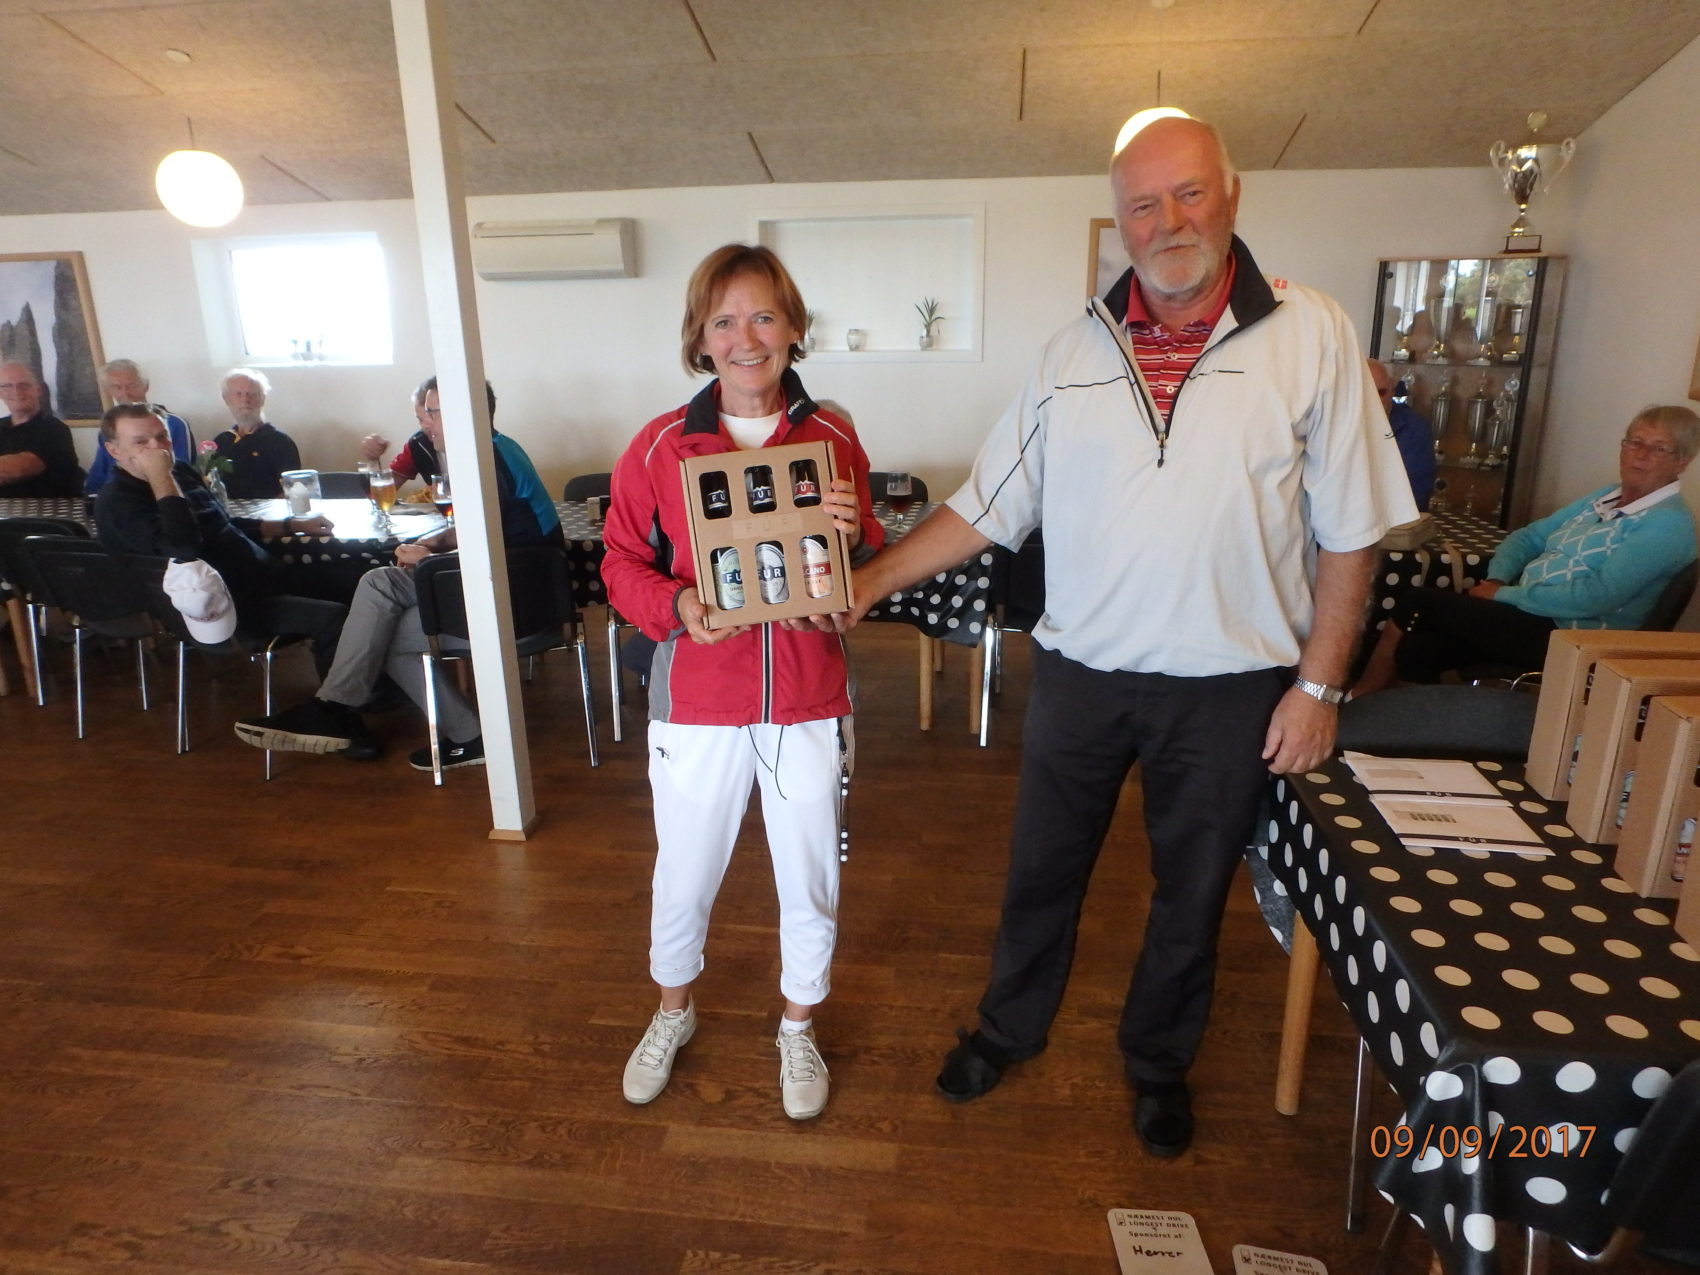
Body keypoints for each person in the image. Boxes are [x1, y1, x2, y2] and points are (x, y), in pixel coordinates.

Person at [846, 111, 1413, 1157]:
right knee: (1038, 872)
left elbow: (1352, 528)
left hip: (1231, 685)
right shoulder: (1073, 351)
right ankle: (1007, 1029)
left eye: (1188, 193)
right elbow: (989, 503)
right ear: (1119, 221)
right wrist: (868, 580)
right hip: (1080, 676)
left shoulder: (1312, 334)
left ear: (1231, 196)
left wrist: (1319, 687)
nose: (1168, 221)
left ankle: (1157, 1061)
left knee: (1189, 893)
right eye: (1142, 204)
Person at [600, 243, 884, 1121]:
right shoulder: (659, 444)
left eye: (763, 316)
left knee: (809, 874)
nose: (746, 337)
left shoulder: (833, 436)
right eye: (724, 320)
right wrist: (678, 604)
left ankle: (798, 1025)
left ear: (793, 328)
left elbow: (863, 559)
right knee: (683, 874)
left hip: (806, 696)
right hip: (698, 702)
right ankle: (672, 1010)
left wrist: (853, 533)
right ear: (700, 338)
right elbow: (619, 562)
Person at [231, 378, 562, 771]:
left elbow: (491, 544)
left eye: (432, 413)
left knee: (380, 627)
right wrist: (433, 544)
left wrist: (428, 558)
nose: (425, 422)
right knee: (379, 584)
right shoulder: (491, 449)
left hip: (519, 599)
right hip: (502, 584)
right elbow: (484, 528)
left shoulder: (487, 462)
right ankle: (336, 709)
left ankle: (345, 712)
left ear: (466, 413)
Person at [1352, 404, 1700, 695]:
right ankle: (1419, 731)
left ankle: (1359, 699)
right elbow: (1529, 537)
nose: (1641, 455)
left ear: (1682, 461)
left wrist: (1503, 595)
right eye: (1635, 442)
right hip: (1530, 613)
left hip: (1572, 635)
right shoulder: (1606, 496)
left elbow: (1596, 596)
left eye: (1659, 448)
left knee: (1418, 601)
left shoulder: (1666, 523)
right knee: (1418, 648)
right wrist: (1498, 579)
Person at [94, 403, 346, 675]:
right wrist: (161, 477)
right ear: (114, 450)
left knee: (361, 583)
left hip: (264, 578)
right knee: (336, 617)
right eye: (141, 442)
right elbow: (183, 547)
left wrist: (292, 525)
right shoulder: (117, 502)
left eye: (162, 436)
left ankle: (371, 688)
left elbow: (222, 523)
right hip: (225, 608)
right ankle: (337, 698)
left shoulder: (181, 472)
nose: (158, 448)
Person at [84, 359, 194, 494]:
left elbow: (183, 473)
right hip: (117, 497)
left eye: (131, 385)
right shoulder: (110, 428)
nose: (125, 393)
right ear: (109, 390)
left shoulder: (174, 423)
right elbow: (98, 475)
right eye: (117, 387)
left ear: (145, 386)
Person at [0, 361, 86, 497]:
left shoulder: (54, 429)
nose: (16, 391)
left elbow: (16, 469)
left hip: (48, 508)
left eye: (24, 385)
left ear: (39, 390)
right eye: (7, 386)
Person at [212, 368, 299, 498]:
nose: (246, 399)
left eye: (252, 394)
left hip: (271, 510)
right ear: (226, 399)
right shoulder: (220, 442)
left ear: (263, 399)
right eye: (239, 394)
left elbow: (291, 491)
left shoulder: (281, 443)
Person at [1369, 359, 1435, 513]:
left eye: (1380, 392)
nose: (1374, 400)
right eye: (1366, 392)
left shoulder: (1415, 429)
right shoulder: (1336, 423)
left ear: (1392, 390)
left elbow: (1414, 495)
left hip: (1394, 520)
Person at [357, 381, 442, 486]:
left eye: (432, 416)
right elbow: (386, 487)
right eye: (420, 420)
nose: (425, 426)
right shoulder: (418, 444)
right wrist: (373, 460)